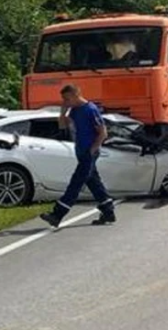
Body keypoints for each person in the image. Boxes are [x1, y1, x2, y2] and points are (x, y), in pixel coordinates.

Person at [40, 84, 116, 228]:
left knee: (76, 182)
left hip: (89, 152)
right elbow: (62, 126)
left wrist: (93, 149)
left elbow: (102, 132)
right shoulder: (74, 111)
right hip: (80, 151)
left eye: (67, 99)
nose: (65, 102)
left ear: (76, 95)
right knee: (93, 181)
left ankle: (57, 214)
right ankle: (108, 211)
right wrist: (63, 113)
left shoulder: (90, 109)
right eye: (63, 99)